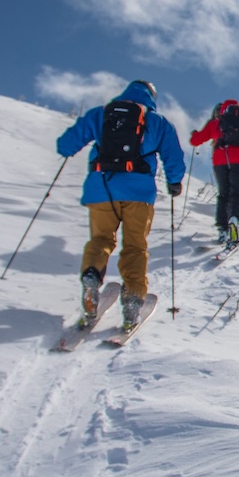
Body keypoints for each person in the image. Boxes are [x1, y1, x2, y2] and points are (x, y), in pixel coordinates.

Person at [55, 80, 185, 327]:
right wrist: (175, 182)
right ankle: (133, 300)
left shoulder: (101, 114)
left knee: (100, 240)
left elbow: (65, 145)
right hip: (139, 195)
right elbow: (173, 156)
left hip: (101, 190)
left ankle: (92, 276)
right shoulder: (157, 122)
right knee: (135, 247)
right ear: (152, 97)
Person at [189, 98, 239, 245]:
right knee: (237, 193)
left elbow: (195, 141)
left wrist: (194, 135)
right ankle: (234, 220)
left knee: (223, 193)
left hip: (220, 161)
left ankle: (222, 229)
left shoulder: (217, 124)